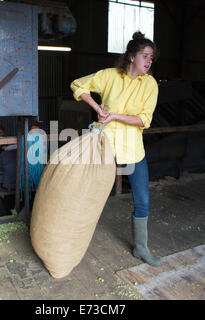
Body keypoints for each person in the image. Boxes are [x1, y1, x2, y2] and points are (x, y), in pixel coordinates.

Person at [70, 31, 161, 267]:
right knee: (88, 194)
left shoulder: (150, 84)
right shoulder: (109, 76)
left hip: (133, 149)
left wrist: (115, 116)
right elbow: (78, 85)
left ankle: (141, 248)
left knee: (142, 200)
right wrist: (97, 108)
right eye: (145, 56)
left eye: (151, 57)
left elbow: (144, 120)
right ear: (132, 57)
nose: (149, 61)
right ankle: (72, 240)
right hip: (105, 146)